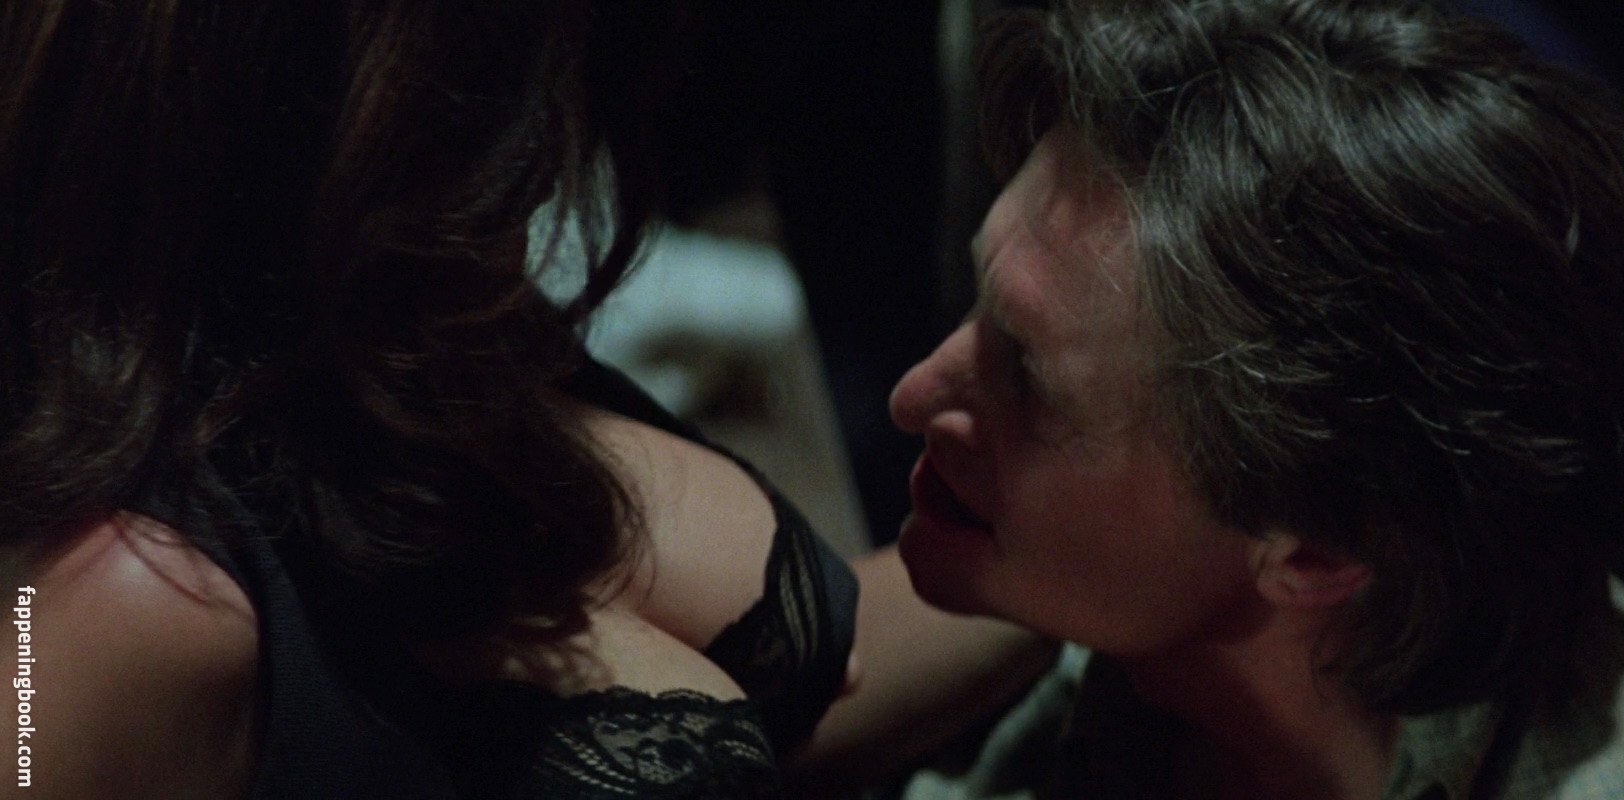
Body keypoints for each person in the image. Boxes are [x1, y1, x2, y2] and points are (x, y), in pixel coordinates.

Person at [1, 2, 1041, 797]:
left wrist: (1094, 538)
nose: (549, 132)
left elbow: (816, 689)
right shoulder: (106, 608)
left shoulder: (409, 341)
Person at [885, 0, 1624, 798]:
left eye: (1030, 381)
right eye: (979, 306)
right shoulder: (1176, 646)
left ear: (1312, 553)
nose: (914, 394)